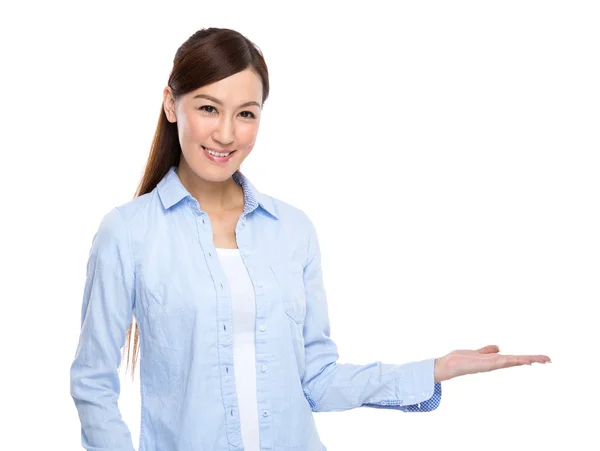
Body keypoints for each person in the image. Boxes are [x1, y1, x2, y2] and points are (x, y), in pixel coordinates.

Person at [69, 27, 551, 451]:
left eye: (246, 114)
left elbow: (316, 380)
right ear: (172, 105)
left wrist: (431, 369)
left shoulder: (292, 231)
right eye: (208, 108)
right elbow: (93, 384)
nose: (225, 133)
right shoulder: (127, 233)